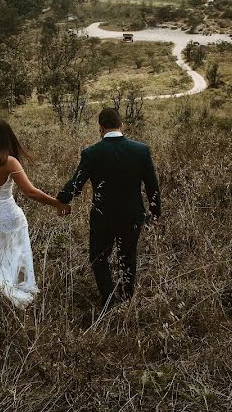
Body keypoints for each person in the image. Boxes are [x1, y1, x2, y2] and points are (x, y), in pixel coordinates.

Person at [57, 108, 161, 309]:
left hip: (102, 216)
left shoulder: (91, 153)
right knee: (127, 256)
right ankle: (126, 297)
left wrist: (62, 199)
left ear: (100, 128)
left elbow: (77, 183)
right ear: (121, 125)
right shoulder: (141, 150)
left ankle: (108, 300)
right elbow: (152, 186)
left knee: (99, 257)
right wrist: (154, 213)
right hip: (132, 215)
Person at [0, 120, 68, 308]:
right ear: (8, 137)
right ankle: (16, 291)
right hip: (7, 216)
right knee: (15, 253)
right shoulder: (9, 162)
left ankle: (2, 291)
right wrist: (56, 203)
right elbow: (30, 192)